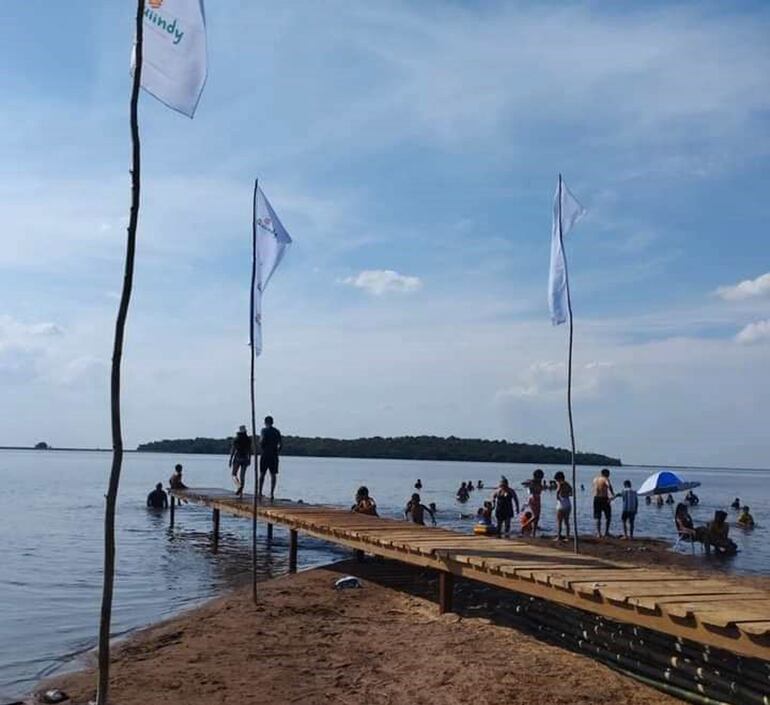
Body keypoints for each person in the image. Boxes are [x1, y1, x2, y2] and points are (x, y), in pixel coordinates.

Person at [258, 415, 283, 502]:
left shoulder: (264, 430)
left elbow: (262, 440)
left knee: (262, 474)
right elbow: (281, 444)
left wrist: (261, 446)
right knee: (273, 474)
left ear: (265, 422)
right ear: (272, 422)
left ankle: (260, 492)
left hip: (265, 454)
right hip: (274, 455)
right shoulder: (277, 431)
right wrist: (277, 451)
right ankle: (272, 493)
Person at [228, 425, 252, 497]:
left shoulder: (236, 439)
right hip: (245, 458)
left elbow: (233, 450)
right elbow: (249, 450)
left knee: (234, 474)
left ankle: (238, 486)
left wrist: (230, 459)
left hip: (237, 457)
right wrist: (249, 459)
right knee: (242, 476)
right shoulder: (248, 440)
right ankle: (241, 492)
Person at [592, 468, 615, 537]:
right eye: (608, 474)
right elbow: (609, 485)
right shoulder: (605, 479)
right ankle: (606, 532)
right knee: (608, 516)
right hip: (604, 498)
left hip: (596, 498)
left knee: (597, 516)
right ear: (606, 474)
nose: (609, 475)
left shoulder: (595, 479)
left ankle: (598, 533)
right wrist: (612, 494)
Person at [554, 471, 572, 541]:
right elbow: (571, 492)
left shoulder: (560, 483)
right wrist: (567, 494)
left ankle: (558, 536)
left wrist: (557, 497)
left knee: (559, 522)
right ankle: (567, 536)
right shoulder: (567, 484)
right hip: (567, 502)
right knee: (566, 521)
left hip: (561, 503)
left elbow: (558, 491)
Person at [526, 469, 545, 536]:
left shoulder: (539, 482)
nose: (542, 477)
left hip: (537, 498)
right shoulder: (533, 481)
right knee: (535, 516)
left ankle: (533, 532)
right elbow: (528, 486)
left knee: (537, 516)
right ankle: (525, 525)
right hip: (534, 498)